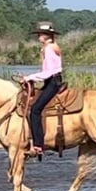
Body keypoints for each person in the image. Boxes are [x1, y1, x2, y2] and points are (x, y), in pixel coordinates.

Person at [21, 21, 63, 157]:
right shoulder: (51, 47)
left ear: (46, 35)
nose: (38, 36)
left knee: (35, 110)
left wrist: (29, 77)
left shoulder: (49, 48)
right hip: (52, 81)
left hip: (52, 81)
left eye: (40, 34)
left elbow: (48, 72)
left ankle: (38, 144)